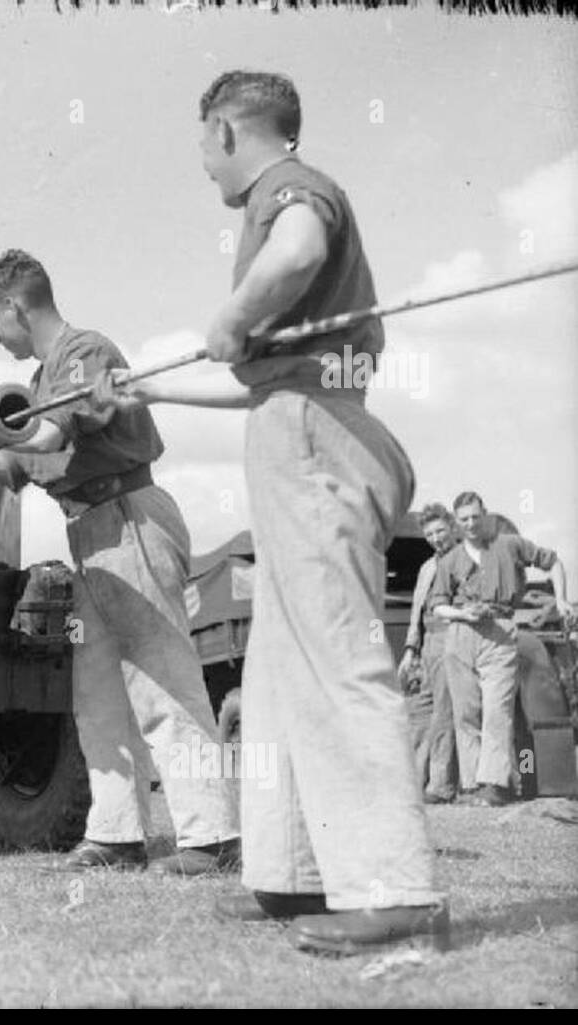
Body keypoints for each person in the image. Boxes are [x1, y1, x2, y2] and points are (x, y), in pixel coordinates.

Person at [109, 71, 447, 953]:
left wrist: (234, 309)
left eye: (201, 146)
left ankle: (392, 888)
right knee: (278, 676)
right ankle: (295, 876)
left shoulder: (287, 193)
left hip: (314, 439)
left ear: (226, 129)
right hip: (299, 419)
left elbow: (295, 251)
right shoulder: (284, 209)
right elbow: (268, 384)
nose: (203, 168)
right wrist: (149, 392)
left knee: (334, 656)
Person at [0, 249, 240, 874]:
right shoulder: (41, 379)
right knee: (97, 691)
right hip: (90, 530)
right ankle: (116, 834)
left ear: (14, 306)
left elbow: (45, 439)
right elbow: (12, 468)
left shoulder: (86, 353)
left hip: (129, 518)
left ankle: (214, 836)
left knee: (161, 679)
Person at [429, 491, 571, 806]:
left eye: (475, 517)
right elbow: (437, 605)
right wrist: (462, 613)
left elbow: (554, 562)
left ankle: (493, 785)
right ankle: (471, 786)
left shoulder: (509, 545)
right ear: (456, 522)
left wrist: (561, 599)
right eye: (463, 519)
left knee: (497, 711)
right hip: (460, 634)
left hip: (500, 631)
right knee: (466, 714)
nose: (470, 524)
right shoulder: (450, 561)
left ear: (485, 514)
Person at [398, 503, 465, 803]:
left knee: (444, 713)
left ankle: (440, 785)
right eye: (429, 534)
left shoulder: (465, 561)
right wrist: (411, 649)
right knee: (418, 713)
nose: (436, 538)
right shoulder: (427, 567)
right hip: (426, 646)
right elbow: (416, 611)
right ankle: (411, 782)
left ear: (452, 527)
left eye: (440, 531)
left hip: (450, 640)